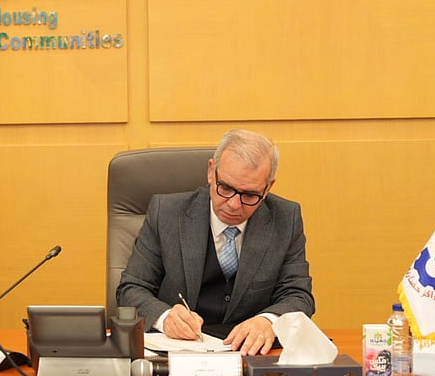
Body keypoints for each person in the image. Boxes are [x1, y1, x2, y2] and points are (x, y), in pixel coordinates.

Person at [115, 129, 314, 355]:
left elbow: (299, 295)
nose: (234, 205)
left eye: (250, 195)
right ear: (211, 172)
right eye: (225, 188)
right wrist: (165, 317)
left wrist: (269, 321)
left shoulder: (285, 218)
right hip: (178, 356)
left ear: (268, 187)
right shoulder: (166, 214)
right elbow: (131, 289)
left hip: (250, 356)